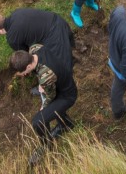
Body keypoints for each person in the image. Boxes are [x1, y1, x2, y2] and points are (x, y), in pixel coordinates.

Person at [9, 34, 77, 166]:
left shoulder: (46, 76)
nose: (21, 75)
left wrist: (44, 106)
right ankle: (66, 123)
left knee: (38, 121)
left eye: (21, 73)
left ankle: (47, 144)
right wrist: (43, 86)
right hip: (58, 80)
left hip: (67, 94)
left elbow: (50, 97)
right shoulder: (35, 48)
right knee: (46, 101)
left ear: (28, 67)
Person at [0, 8, 74, 57]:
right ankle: (73, 48)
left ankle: (70, 57)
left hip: (55, 35)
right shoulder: (16, 12)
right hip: (59, 20)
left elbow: (26, 55)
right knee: (69, 44)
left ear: (0, 30)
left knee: (61, 61)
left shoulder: (12, 38)